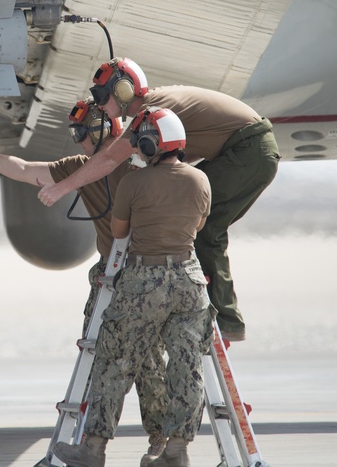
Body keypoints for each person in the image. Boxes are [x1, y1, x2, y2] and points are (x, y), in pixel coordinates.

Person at [0, 99, 170, 455]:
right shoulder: (82, 167)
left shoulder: (138, 165)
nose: (78, 141)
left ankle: (143, 442)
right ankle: (113, 443)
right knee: (116, 356)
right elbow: (20, 168)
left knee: (141, 360)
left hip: (140, 272)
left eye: (80, 133)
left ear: (97, 131)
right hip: (113, 272)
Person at [37, 58, 280, 342]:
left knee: (204, 230)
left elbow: (109, 158)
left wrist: (60, 188)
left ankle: (225, 321)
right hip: (242, 150)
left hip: (248, 150)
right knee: (187, 212)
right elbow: (177, 159)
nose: (100, 106)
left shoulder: (153, 109)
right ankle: (208, 312)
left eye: (102, 97)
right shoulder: (156, 111)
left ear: (124, 91)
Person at [53, 107, 213, 467]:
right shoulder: (200, 181)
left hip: (144, 282)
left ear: (149, 142)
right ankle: (176, 452)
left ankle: (92, 451)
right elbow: (200, 225)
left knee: (115, 362)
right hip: (189, 280)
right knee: (187, 366)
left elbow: (120, 232)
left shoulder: (133, 183)